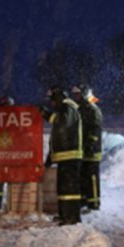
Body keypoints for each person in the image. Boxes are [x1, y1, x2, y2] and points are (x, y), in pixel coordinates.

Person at [45, 86, 83, 225]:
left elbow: (62, 125)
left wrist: (48, 115)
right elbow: (58, 137)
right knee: (63, 189)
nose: (51, 104)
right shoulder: (64, 110)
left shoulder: (69, 108)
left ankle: (72, 217)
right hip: (65, 157)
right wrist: (51, 156)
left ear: (59, 98)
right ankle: (64, 215)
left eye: (52, 100)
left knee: (70, 190)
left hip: (71, 157)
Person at [71, 84, 103, 211]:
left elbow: (96, 129)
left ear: (84, 94)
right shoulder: (80, 109)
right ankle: (84, 200)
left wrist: (91, 143)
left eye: (78, 94)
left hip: (92, 152)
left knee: (92, 178)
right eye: (75, 95)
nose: (76, 97)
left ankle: (94, 203)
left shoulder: (92, 110)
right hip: (82, 150)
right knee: (83, 177)